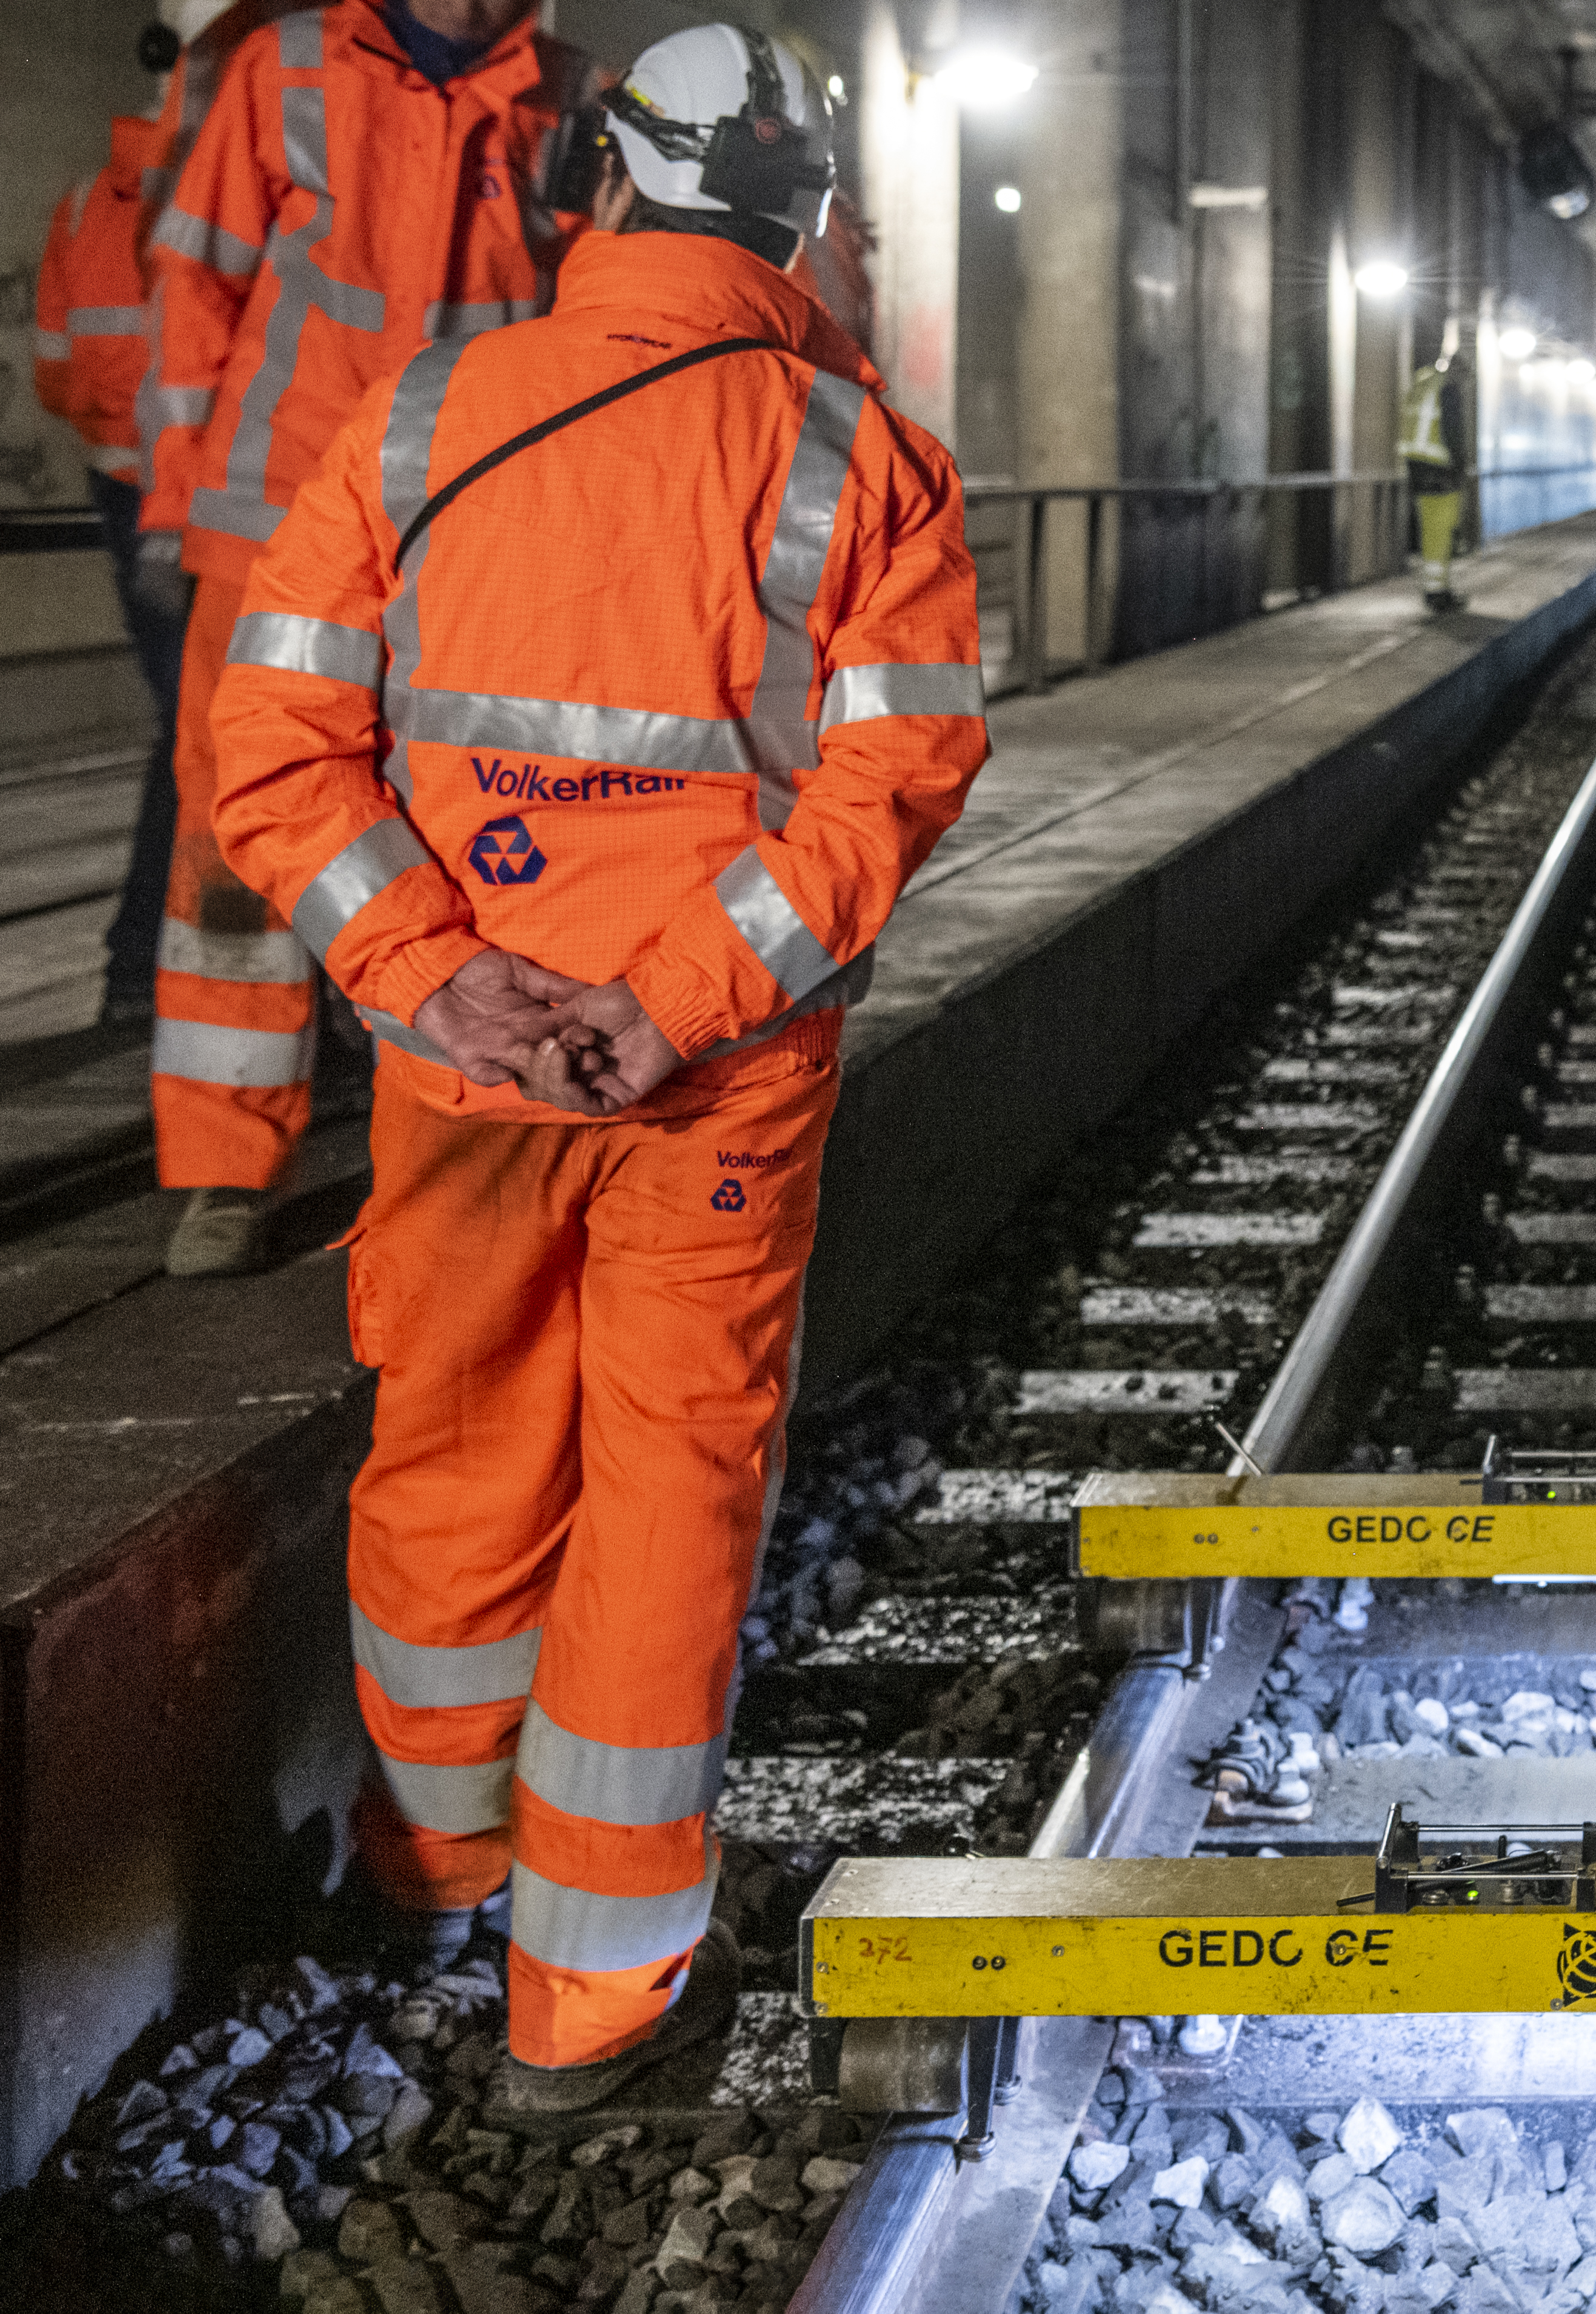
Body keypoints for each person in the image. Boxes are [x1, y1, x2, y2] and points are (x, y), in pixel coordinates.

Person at [204, 22, 987, 2108]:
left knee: (455, 1445)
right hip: (708, 1083)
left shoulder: (418, 414)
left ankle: (431, 1855)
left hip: (462, 1064)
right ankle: (594, 2005)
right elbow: (894, 777)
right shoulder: (862, 457)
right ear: (807, 218)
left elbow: (271, 744)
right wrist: (676, 999)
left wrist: (427, 967)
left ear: (601, 189)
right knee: (666, 1489)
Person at [139, 0, 593, 1277]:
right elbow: (196, 282)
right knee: (233, 841)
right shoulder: (284, 67)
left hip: (469, 526)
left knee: (470, 822)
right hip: (268, 513)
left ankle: (467, 1127)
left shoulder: (567, 94)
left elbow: (601, 310)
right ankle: (225, 1168)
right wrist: (181, 493)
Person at [37, 98, 189, 1027]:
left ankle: (138, 968)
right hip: (211, 497)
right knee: (207, 731)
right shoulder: (244, 181)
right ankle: (143, 962)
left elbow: (56, 375)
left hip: (120, 485)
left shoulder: (84, 202)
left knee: (190, 726)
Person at [1398, 325, 1471, 613]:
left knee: (1429, 529)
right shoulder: (1449, 390)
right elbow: (1453, 434)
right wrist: (1461, 467)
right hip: (1441, 469)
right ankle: (1439, 592)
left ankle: (1433, 588)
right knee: (1443, 529)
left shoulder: (1422, 381)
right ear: (1459, 372)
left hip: (1416, 467)